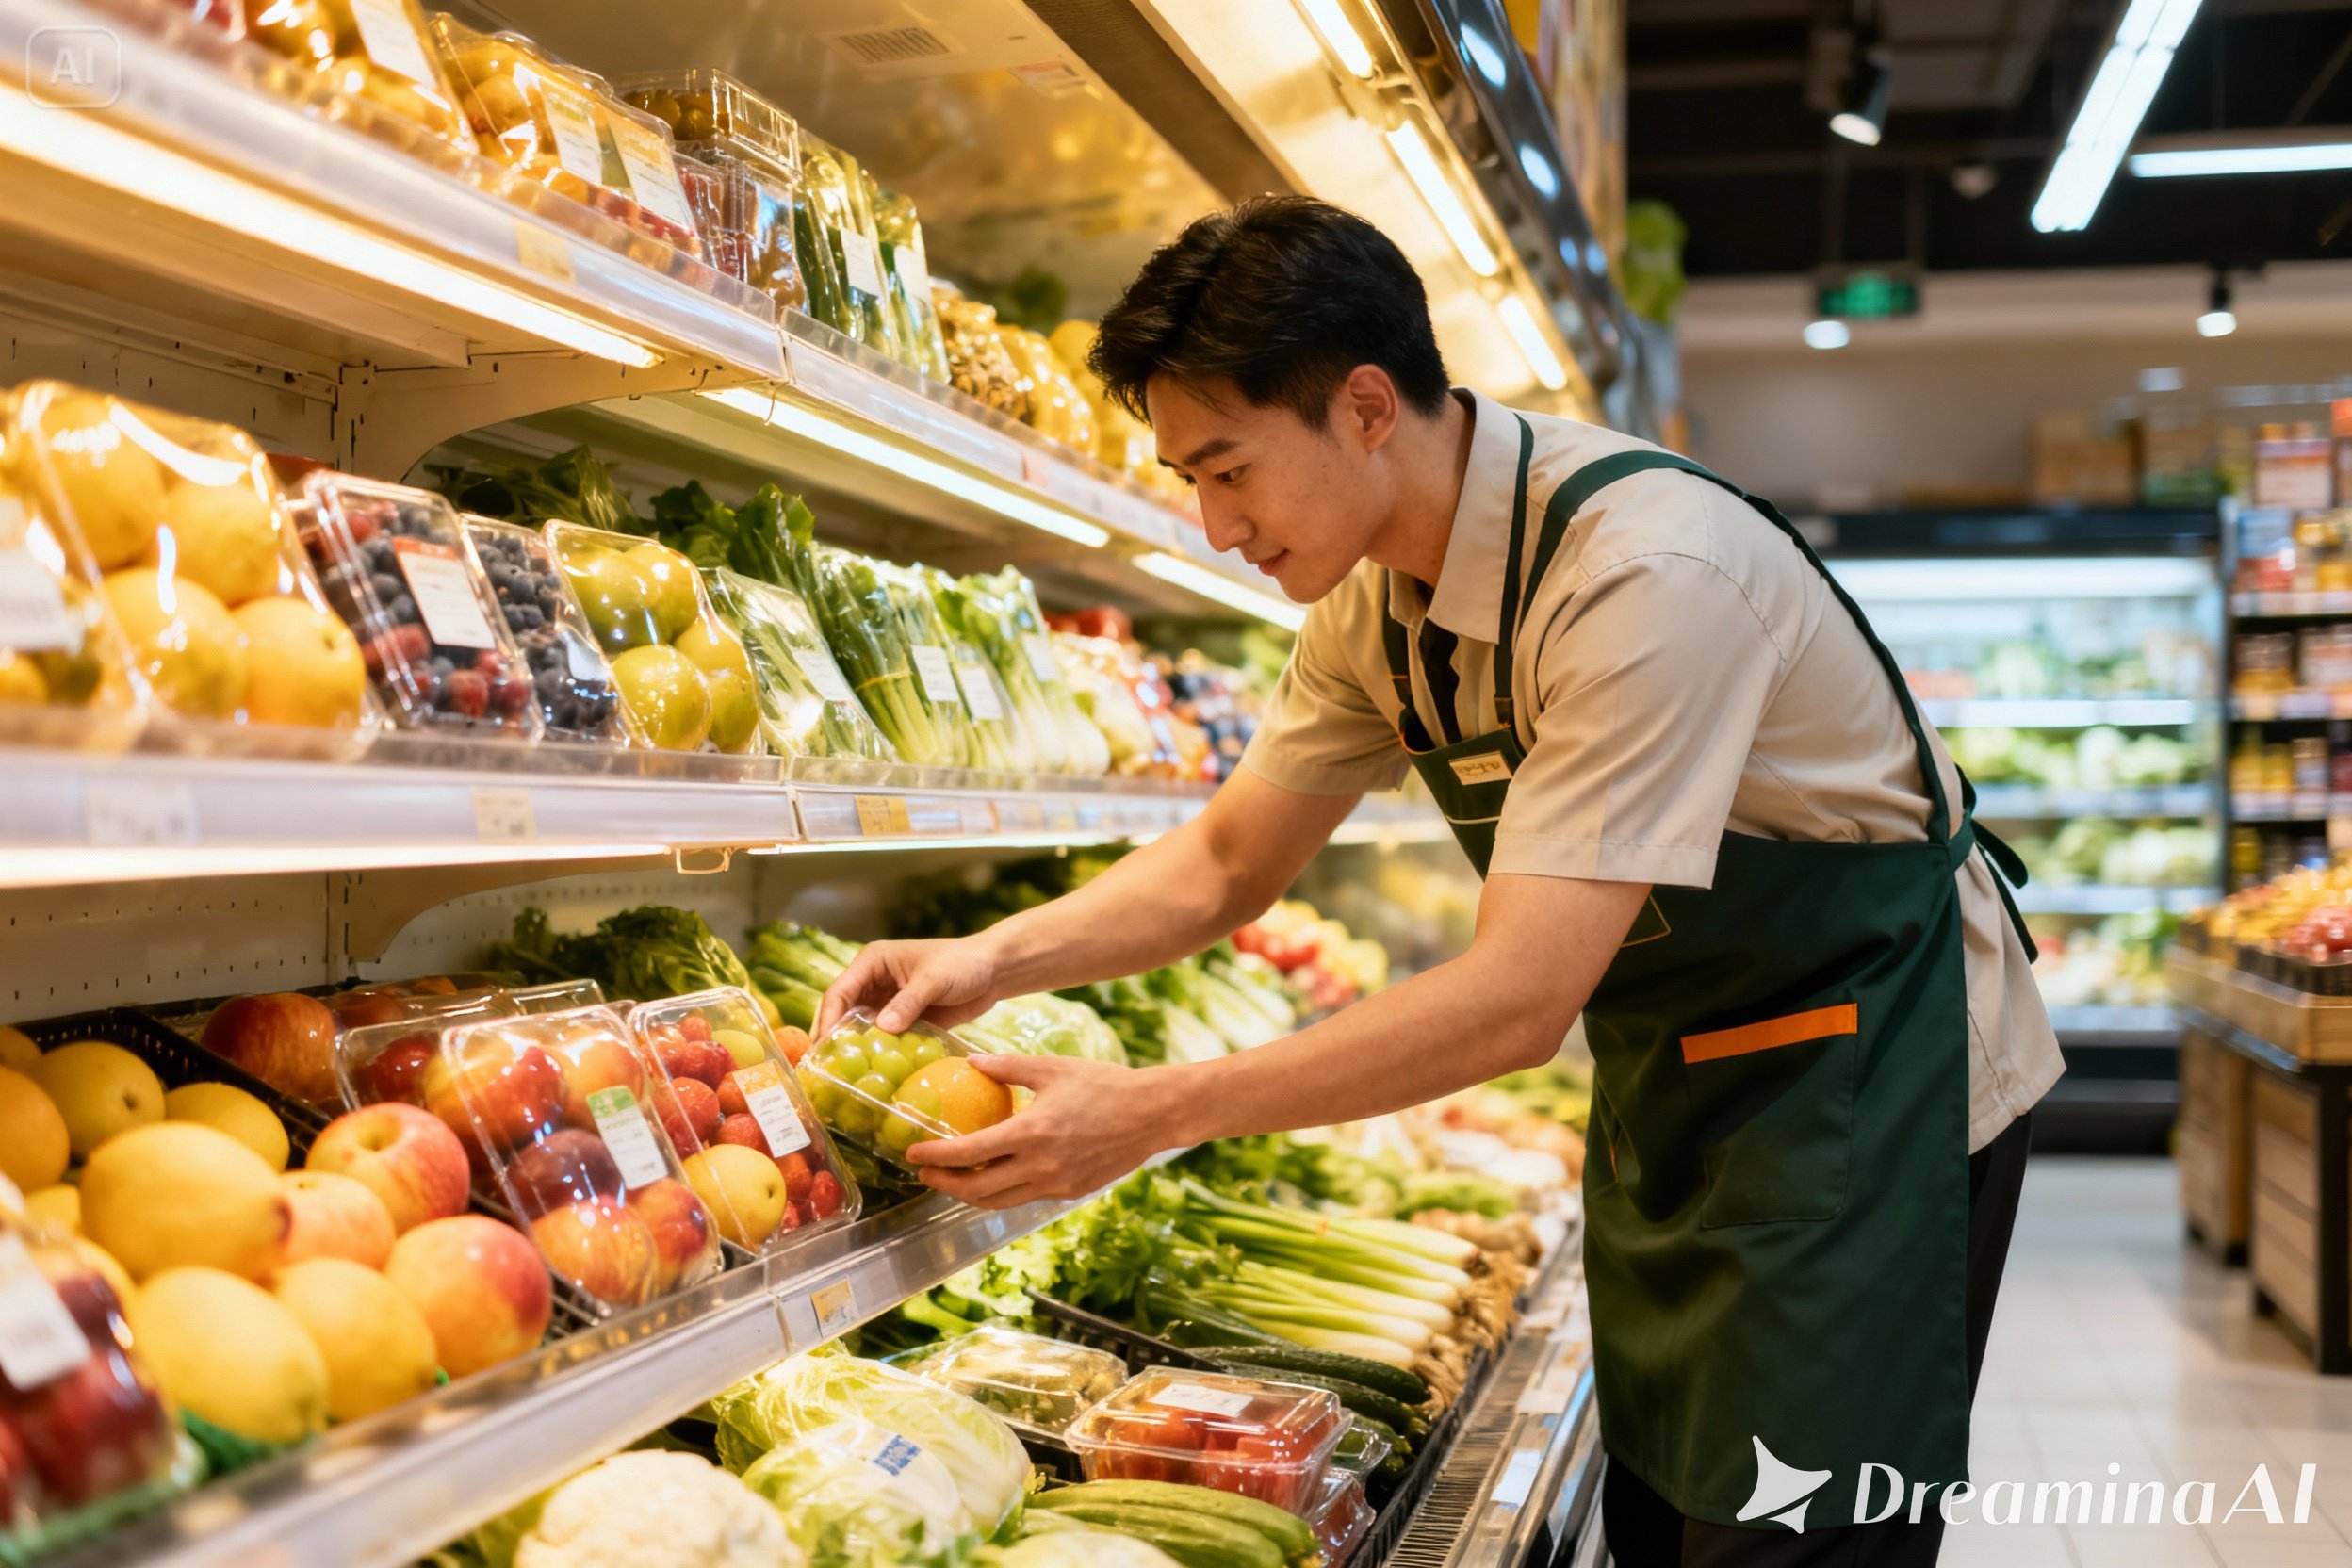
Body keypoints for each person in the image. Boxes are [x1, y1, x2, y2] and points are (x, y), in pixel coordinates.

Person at [816, 196, 2060, 1565]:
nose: (1215, 525)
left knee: (1791, 1532)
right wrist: (992, 959)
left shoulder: (1644, 578)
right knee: (1669, 1503)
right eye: (1190, 479)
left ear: (1363, 406)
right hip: (1691, 1077)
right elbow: (1232, 862)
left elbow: (1519, 1005)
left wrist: (1154, 1111)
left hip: (1875, 1084)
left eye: (1229, 468)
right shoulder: (1373, 602)